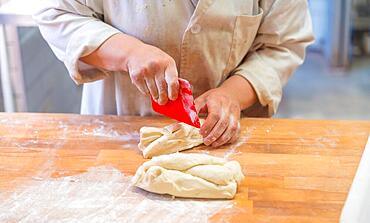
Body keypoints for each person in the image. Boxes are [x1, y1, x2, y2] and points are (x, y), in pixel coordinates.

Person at [34, 0, 314, 147]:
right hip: (121, 134)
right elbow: (56, 12)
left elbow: (283, 44)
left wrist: (232, 94)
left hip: (227, 140)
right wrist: (128, 53)